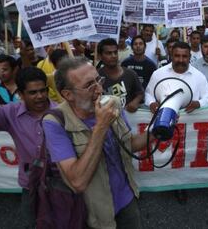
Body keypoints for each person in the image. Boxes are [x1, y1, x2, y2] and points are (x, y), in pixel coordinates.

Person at [43, 56, 151, 228]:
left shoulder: (112, 103)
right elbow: (77, 182)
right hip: (91, 214)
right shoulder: (54, 122)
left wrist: (156, 132)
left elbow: (129, 144)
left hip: (127, 199)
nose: (99, 89)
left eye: (98, 80)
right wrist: (101, 126)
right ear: (67, 94)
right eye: (89, 85)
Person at [0, 67, 54, 228]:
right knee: (31, 224)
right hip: (31, 186)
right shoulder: (10, 113)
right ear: (20, 94)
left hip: (62, 184)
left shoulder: (62, 112)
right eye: (33, 92)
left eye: (43, 91)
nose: (40, 96)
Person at [145, 42, 208, 204]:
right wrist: (152, 103)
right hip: (164, 121)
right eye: (177, 55)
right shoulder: (158, 73)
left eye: (184, 56)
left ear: (190, 57)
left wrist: (198, 104)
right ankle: (168, 182)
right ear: (171, 56)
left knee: (183, 156)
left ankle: (181, 184)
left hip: (188, 125)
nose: (180, 59)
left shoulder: (198, 76)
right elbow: (148, 94)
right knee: (166, 155)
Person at [97, 38, 143, 113]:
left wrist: (135, 102)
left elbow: (140, 93)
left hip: (127, 118)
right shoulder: (96, 77)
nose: (113, 56)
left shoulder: (130, 74)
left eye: (115, 52)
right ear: (100, 56)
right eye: (109, 53)